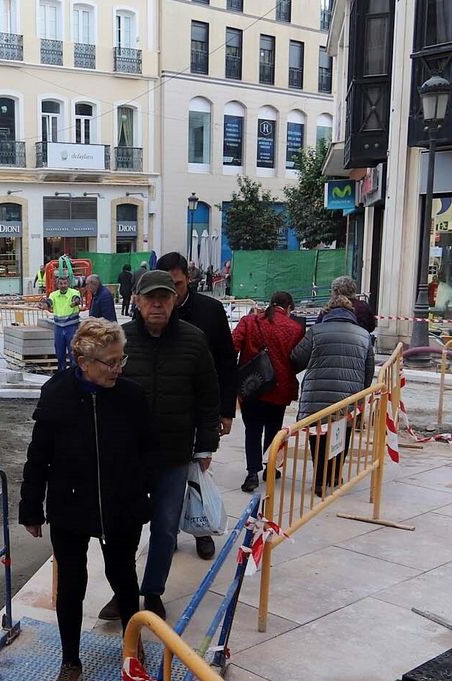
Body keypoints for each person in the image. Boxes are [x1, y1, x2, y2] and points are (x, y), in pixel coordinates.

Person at [21, 319, 156, 681]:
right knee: (71, 586)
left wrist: (145, 492)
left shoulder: (130, 396)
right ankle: (70, 661)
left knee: (123, 577)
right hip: (70, 504)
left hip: (120, 503)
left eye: (120, 360)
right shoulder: (56, 393)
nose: (118, 368)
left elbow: (149, 449)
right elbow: (38, 457)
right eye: (109, 362)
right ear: (84, 361)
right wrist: (31, 507)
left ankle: (132, 646)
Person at [101, 270, 219, 622]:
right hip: (129, 456)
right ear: (136, 300)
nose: (157, 304)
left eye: (164, 297)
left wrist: (205, 446)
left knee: (166, 527)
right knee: (123, 527)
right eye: (150, 297)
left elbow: (208, 397)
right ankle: (122, 593)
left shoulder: (194, 341)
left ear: (175, 301)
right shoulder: (119, 340)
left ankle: (152, 592)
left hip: (173, 452)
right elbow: (104, 389)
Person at [157, 252, 236, 559]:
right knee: (167, 476)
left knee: (200, 468)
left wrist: (226, 410)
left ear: (187, 279)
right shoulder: (154, 310)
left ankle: (201, 530)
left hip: (202, 407)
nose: (171, 294)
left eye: (176, 285)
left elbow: (228, 362)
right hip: (166, 411)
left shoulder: (210, 311)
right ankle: (170, 530)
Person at [289, 295, 373, 496]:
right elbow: (368, 370)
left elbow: (297, 359)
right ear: (350, 313)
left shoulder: (316, 332)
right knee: (342, 435)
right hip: (348, 397)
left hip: (316, 396)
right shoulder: (363, 335)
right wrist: (360, 393)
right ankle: (335, 475)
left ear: (326, 312)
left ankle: (319, 480)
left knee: (318, 437)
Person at [232, 290, 305, 492]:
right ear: (289, 308)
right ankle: (271, 467)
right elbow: (298, 359)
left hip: (252, 386)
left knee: (252, 430)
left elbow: (233, 345)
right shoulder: (295, 328)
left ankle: (252, 473)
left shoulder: (249, 321)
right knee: (274, 430)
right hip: (279, 388)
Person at [47, 273, 83, 371]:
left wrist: (75, 302)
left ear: (68, 284)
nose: (63, 286)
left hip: (71, 326)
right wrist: (45, 304)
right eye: (61, 284)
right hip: (58, 327)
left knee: (73, 351)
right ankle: (61, 373)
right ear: (57, 285)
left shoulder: (74, 292)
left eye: (65, 283)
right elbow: (49, 301)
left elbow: (76, 299)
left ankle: (73, 373)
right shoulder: (54, 295)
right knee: (60, 352)